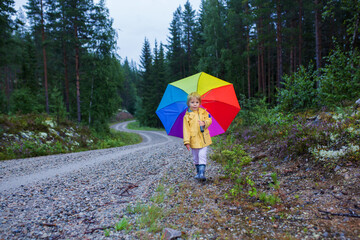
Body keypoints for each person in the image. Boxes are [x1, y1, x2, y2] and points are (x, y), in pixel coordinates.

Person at [183, 92, 212, 181]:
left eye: (196, 102)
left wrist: (204, 123)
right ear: (188, 103)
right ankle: (198, 172)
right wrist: (187, 142)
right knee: (196, 157)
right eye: (192, 102)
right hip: (193, 140)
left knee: (202, 155)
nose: (195, 104)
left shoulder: (203, 112)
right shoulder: (187, 116)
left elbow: (209, 119)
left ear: (200, 103)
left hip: (204, 139)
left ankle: (202, 173)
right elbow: (186, 130)